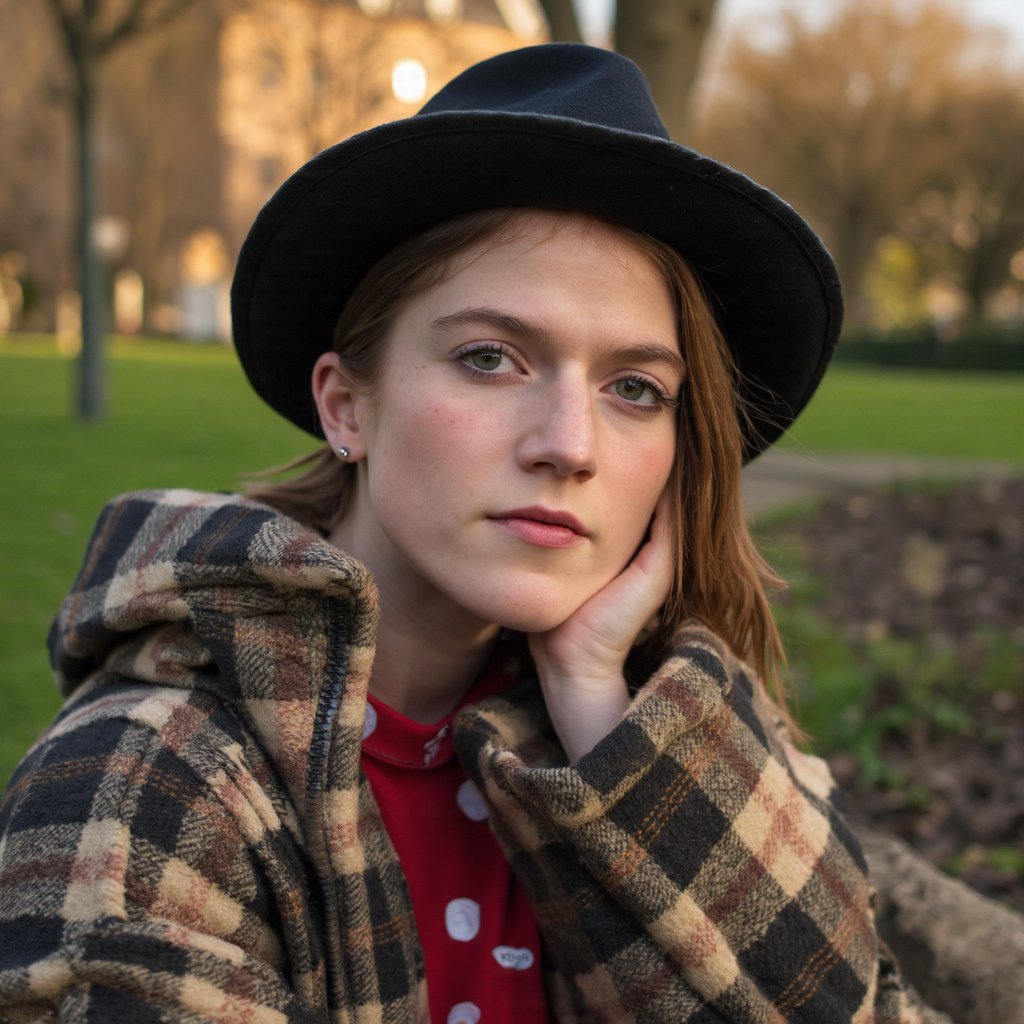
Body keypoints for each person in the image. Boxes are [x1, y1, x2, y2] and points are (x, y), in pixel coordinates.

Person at [0, 44, 936, 1023]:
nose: (569, 445)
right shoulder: (150, 784)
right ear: (347, 406)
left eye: (634, 388)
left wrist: (601, 715)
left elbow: (852, 1004)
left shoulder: (647, 712)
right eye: (490, 358)